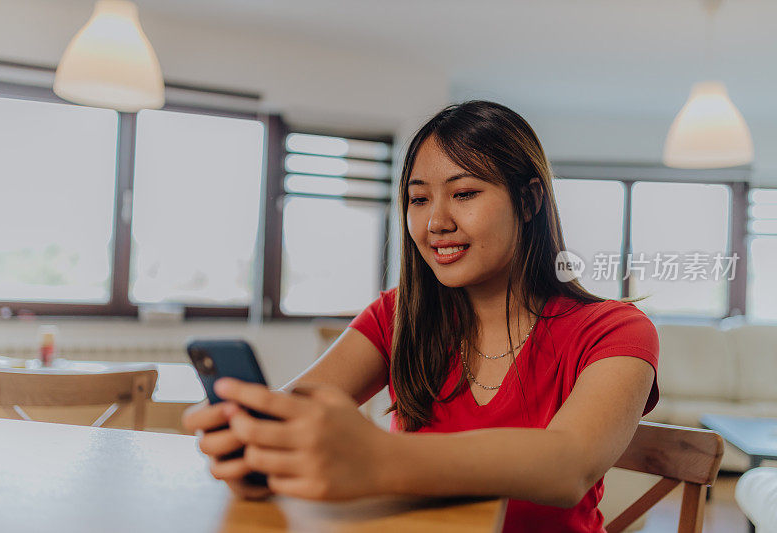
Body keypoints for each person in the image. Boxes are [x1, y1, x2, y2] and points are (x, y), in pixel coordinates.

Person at [183, 100, 659, 532]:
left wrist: (377, 458)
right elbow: (297, 416)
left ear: (530, 200)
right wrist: (260, 447)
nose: (436, 222)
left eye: (465, 193)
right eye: (418, 198)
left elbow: (568, 466)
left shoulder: (613, 330)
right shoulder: (395, 316)